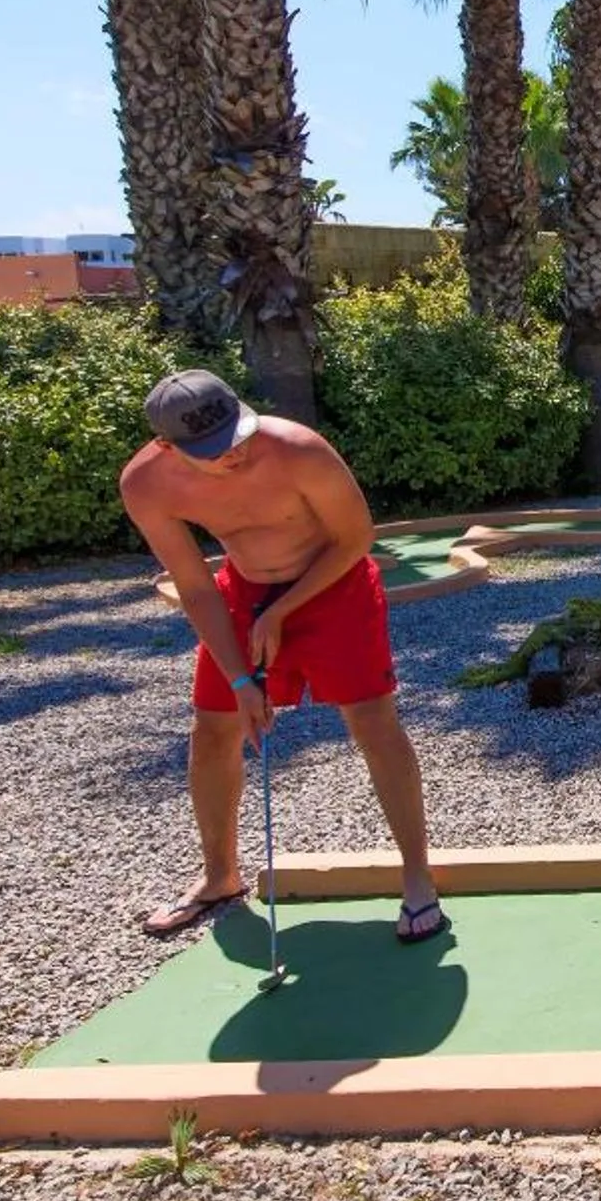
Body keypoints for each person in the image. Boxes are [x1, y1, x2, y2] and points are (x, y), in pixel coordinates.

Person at [119, 369, 447, 945]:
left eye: (237, 435)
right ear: (168, 447)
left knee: (373, 721)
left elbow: (355, 539)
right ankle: (220, 876)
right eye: (214, 452)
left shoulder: (297, 449)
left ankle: (418, 880)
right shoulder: (146, 484)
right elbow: (196, 586)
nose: (234, 455)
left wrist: (281, 611)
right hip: (242, 592)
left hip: (335, 586)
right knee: (214, 727)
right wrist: (241, 676)